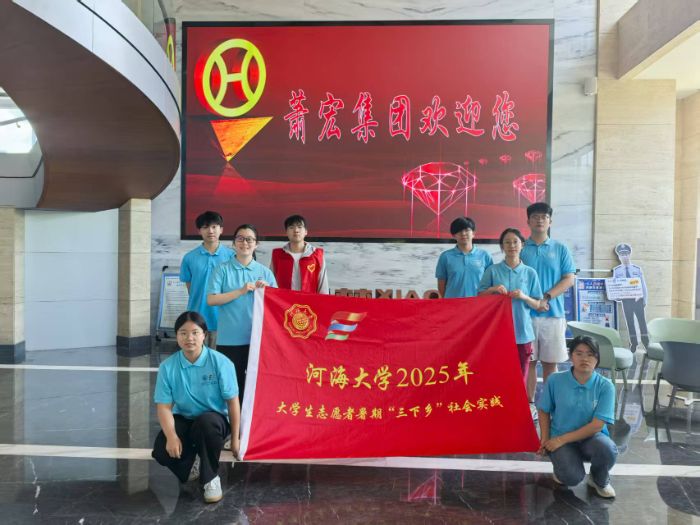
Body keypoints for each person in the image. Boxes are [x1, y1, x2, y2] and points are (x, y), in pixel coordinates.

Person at [152, 311, 240, 504]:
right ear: (177, 336)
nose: (189, 338)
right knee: (161, 449)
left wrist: (235, 438)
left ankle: (211, 479)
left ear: (204, 335)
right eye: (183, 333)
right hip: (184, 417)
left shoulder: (221, 363)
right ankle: (191, 465)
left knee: (206, 423)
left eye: (195, 332)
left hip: (214, 420)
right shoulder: (168, 367)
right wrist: (171, 436)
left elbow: (233, 402)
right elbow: (164, 407)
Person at [537, 335, 618, 499]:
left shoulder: (605, 386)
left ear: (597, 358)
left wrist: (561, 440)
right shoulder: (555, 380)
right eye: (579, 353)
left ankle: (599, 479)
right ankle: (563, 467)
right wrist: (545, 439)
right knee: (571, 478)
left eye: (590, 354)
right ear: (571, 356)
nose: (584, 359)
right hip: (560, 435)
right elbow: (544, 410)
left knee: (607, 449)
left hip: (592, 438)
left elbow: (597, 425)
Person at [207, 224, 277, 401]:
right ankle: (234, 419)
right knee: (232, 387)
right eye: (240, 238)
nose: (245, 243)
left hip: (258, 340)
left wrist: (268, 291)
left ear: (256, 244)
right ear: (233, 243)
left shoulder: (265, 273)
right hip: (229, 340)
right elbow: (211, 299)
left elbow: (277, 306)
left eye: (249, 239)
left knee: (256, 387)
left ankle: (251, 420)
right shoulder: (222, 270)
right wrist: (240, 291)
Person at [521, 202, 576, 419]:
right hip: (525, 316)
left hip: (553, 315)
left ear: (550, 221)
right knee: (529, 362)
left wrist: (546, 297)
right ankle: (529, 405)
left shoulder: (560, 248)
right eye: (535, 216)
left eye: (544, 217)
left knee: (550, 363)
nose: (539, 220)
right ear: (528, 221)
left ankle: (550, 405)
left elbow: (569, 278)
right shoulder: (520, 247)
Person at [478, 228, 542, 382]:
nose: (511, 245)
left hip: (522, 332)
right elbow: (479, 296)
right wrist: (493, 289)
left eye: (515, 242)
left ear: (522, 245)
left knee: (520, 376)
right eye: (507, 242)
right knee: (497, 374)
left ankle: (518, 399)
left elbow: (537, 304)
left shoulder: (530, 273)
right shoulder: (492, 271)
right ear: (502, 246)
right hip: (496, 331)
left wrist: (523, 296)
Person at [180, 211, 234, 348]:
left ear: (221, 230)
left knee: (219, 357)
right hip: (197, 318)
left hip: (223, 318)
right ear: (199, 231)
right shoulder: (189, 257)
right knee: (198, 356)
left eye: (214, 227)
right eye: (205, 227)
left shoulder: (232, 256)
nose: (210, 231)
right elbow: (190, 289)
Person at [435, 216, 493, 298]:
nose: (463, 234)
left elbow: (490, 283)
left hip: (478, 303)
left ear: (473, 233)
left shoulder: (485, 256)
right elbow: (441, 285)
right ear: (454, 235)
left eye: (467, 230)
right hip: (454, 303)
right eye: (459, 231)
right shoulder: (445, 257)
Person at [270, 214, 329, 294]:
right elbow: (270, 282)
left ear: (306, 231)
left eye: (299, 227)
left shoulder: (317, 255)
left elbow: (323, 285)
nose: (296, 230)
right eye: (291, 227)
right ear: (286, 232)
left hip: (308, 301)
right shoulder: (277, 255)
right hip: (283, 300)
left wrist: (323, 301)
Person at [612, 243, 649, 352]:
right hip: (626, 301)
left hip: (638, 300)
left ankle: (646, 342)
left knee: (642, 321)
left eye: (626, 254)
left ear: (629, 255)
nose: (624, 257)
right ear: (619, 256)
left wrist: (644, 299)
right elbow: (615, 286)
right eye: (622, 255)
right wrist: (617, 296)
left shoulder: (637, 269)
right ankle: (634, 343)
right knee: (630, 322)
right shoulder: (617, 271)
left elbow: (643, 285)